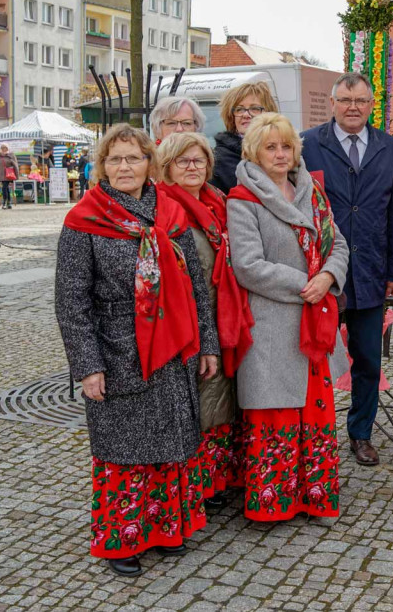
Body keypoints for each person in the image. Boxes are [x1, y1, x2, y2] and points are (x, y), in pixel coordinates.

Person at [54, 123, 219, 577]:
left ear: (150, 163)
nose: (124, 167)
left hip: (175, 350)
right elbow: (71, 301)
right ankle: (123, 539)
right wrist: (87, 366)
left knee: (171, 443)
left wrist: (207, 344)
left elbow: (196, 288)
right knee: (123, 451)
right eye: (114, 159)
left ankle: (167, 529)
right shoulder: (83, 220)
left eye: (133, 158)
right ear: (101, 168)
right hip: (116, 350)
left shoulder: (170, 213)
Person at [227, 113, 349, 521]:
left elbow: (339, 242)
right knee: (276, 411)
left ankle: (313, 496)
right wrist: (306, 283)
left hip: (314, 320)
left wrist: (329, 275)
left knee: (313, 408)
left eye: (286, 147)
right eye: (271, 147)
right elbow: (247, 265)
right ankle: (274, 504)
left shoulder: (311, 192)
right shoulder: (243, 200)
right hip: (273, 325)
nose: (280, 154)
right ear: (254, 153)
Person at [300, 72, 393, 466]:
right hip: (322, 271)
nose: (352, 107)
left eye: (360, 100)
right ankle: (313, 431)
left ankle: (360, 433)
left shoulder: (390, 148)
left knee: (368, 360)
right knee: (314, 355)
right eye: (345, 100)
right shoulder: (309, 144)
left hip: (371, 271)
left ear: (371, 105)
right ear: (332, 103)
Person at [156, 132, 253, 510]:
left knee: (222, 399)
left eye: (198, 160)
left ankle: (219, 479)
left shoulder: (218, 202)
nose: (192, 167)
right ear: (167, 168)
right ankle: (198, 485)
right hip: (193, 319)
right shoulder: (166, 210)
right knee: (202, 401)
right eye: (183, 161)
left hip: (226, 312)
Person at [212, 82, 278, 194]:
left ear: (269, 113)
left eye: (255, 108)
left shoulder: (284, 149)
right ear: (231, 116)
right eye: (239, 109)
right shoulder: (220, 159)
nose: (246, 115)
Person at [0, 144, 20, 209]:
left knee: (4, 188)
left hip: (8, 175)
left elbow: (15, 166)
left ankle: (5, 202)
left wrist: (17, 175)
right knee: (6, 188)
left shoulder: (11, 156)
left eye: (5, 148)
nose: (4, 149)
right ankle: (9, 203)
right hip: (1, 175)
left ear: (7, 148)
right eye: (2, 148)